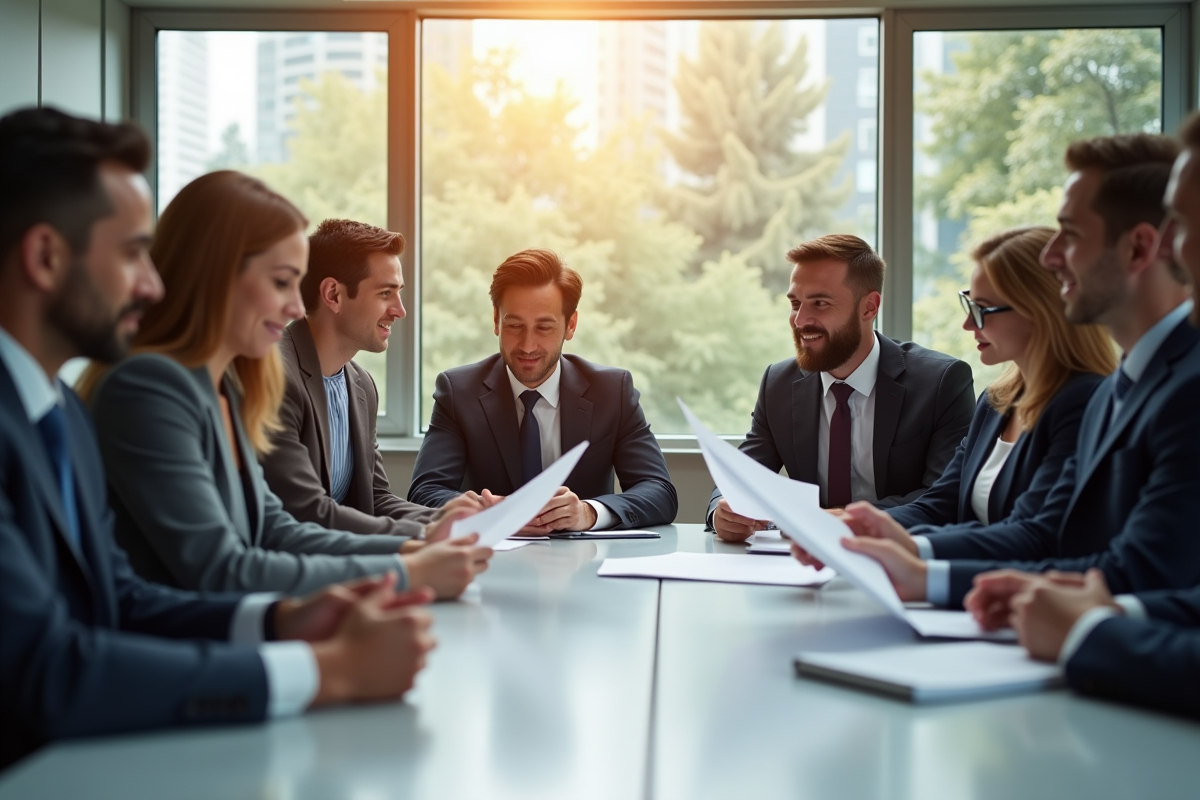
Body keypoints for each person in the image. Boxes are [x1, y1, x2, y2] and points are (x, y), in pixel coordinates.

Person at [0, 107, 435, 769]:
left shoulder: (56, 406)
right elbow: (49, 666)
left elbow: (123, 599)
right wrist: (325, 670)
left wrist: (283, 621)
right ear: (44, 256)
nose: (150, 283)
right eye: (130, 254)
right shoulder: (136, 389)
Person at [816, 133, 1200, 609]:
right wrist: (892, 543)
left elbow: (1119, 564)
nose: (1052, 257)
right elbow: (1032, 531)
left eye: (1072, 235)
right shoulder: (1103, 394)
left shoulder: (1112, 395)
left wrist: (923, 568)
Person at [85, 171, 492, 598]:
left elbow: (275, 528)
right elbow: (224, 567)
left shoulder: (223, 388)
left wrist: (420, 546)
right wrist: (409, 568)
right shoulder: (153, 387)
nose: (298, 306)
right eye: (282, 282)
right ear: (217, 276)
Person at [959, 114, 1200, 720]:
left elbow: (1137, 570)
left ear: (1143, 246)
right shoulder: (1117, 388)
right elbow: (1115, 570)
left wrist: (1087, 627)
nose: (1051, 256)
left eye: (1068, 234)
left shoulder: (1166, 391)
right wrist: (1056, 595)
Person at [708, 234, 975, 542]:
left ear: (869, 308)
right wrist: (722, 511)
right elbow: (742, 477)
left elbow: (944, 499)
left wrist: (850, 521)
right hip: (802, 562)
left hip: (900, 558)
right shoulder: (778, 383)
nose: (800, 319)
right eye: (795, 303)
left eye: (820, 303)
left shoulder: (941, 382)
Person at [409, 248, 677, 532]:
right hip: (488, 561)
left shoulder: (612, 392)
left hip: (585, 566)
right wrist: (490, 512)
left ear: (570, 325)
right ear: (496, 321)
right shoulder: (458, 392)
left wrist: (589, 512)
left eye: (544, 328)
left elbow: (659, 492)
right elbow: (425, 492)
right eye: (514, 325)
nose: (527, 345)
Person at [259, 218, 476, 544]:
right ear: (333, 294)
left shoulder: (362, 385)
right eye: (385, 293)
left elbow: (375, 500)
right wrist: (424, 533)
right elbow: (305, 510)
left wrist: (458, 518)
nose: (400, 310)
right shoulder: (276, 375)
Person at [886, 227, 1114, 536]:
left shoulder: (1086, 403)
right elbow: (941, 504)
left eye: (982, 309)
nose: (967, 324)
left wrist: (912, 550)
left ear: (1039, 310)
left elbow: (1030, 535)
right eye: (969, 304)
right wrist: (850, 524)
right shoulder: (996, 400)